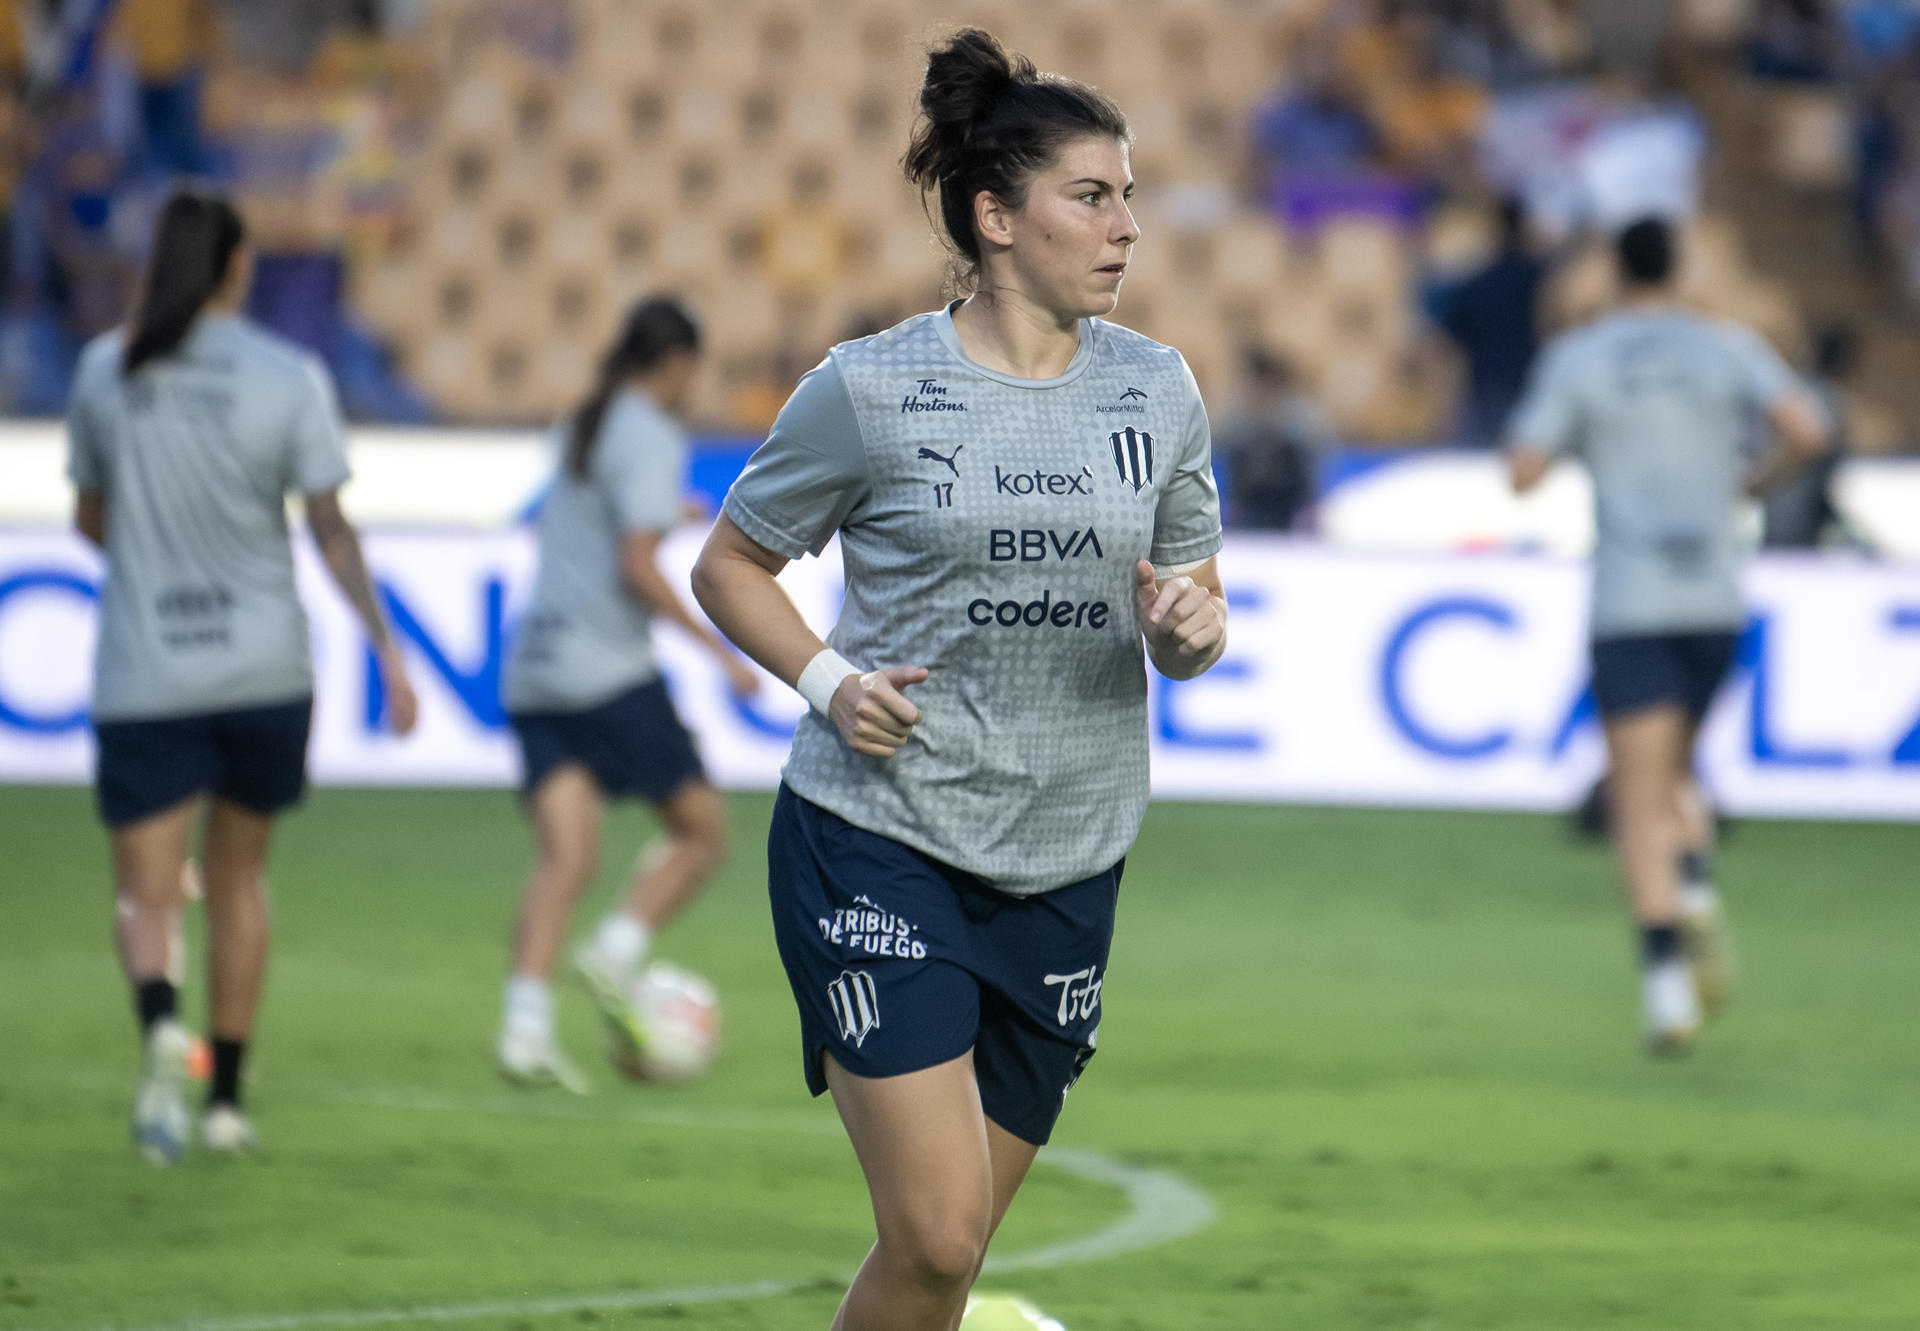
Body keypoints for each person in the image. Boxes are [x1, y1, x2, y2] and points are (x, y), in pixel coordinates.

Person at [691, 29, 1228, 1330]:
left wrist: (1188, 631)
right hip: (884, 833)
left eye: (1130, 197)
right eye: (1091, 197)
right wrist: (827, 680)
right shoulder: (868, 390)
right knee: (935, 1232)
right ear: (997, 216)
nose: (1127, 228)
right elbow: (731, 564)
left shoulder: (1159, 394)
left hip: (1070, 855)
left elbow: (1195, 611)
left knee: (949, 1256)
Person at [66, 185, 419, 1165]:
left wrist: (152, 556)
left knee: (145, 892)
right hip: (265, 666)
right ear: (235, 266)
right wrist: (388, 650)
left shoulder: (106, 370)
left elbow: (91, 520)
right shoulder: (287, 374)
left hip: (146, 667)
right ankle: (223, 1100)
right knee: (239, 882)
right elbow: (331, 527)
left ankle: (156, 1028)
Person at [1506, 216, 1828, 1053]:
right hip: (1717, 598)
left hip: (1632, 602)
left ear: (1614, 270)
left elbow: (1522, 472)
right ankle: (1692, 882)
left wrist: (1592, 443)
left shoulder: (1582, 357)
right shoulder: (1728, 346)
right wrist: (1747, 484)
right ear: (1680, 268)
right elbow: (1809, 431)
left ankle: (1665, 986)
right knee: (1678, 767)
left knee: (1637, 795)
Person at [497, 296, 758, 1092]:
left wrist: (664, 512)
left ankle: (525, 1028)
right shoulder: (650, 431)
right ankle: (613, 954)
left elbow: (590, 524)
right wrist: (720, 652)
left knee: (565, 856)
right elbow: (636, 567)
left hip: (536, 667)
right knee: (702, 832)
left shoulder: (585, 419)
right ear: (675, 365)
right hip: (604, 669)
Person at [1430, 196, 1546, 446]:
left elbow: (1450, 350)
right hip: (1534, 385)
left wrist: (1445, 414)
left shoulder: (1474, 285)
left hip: (1489, 389)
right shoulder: (1544, 281)